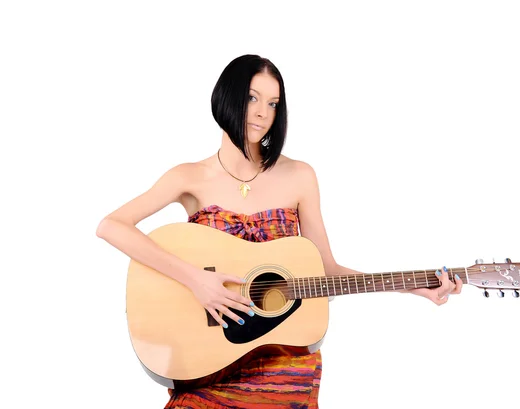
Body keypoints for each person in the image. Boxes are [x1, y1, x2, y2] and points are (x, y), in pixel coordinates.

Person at [96, 54, 462, 409]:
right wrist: (196, 280)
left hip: (286, 370)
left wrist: (413, 284)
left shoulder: (300, 176)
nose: (261, 112)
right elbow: (111, 226)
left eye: (273, 103)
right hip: (209, 369)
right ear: (227, 96)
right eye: (252, 97)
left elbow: (325, 272)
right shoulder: (188, 177)